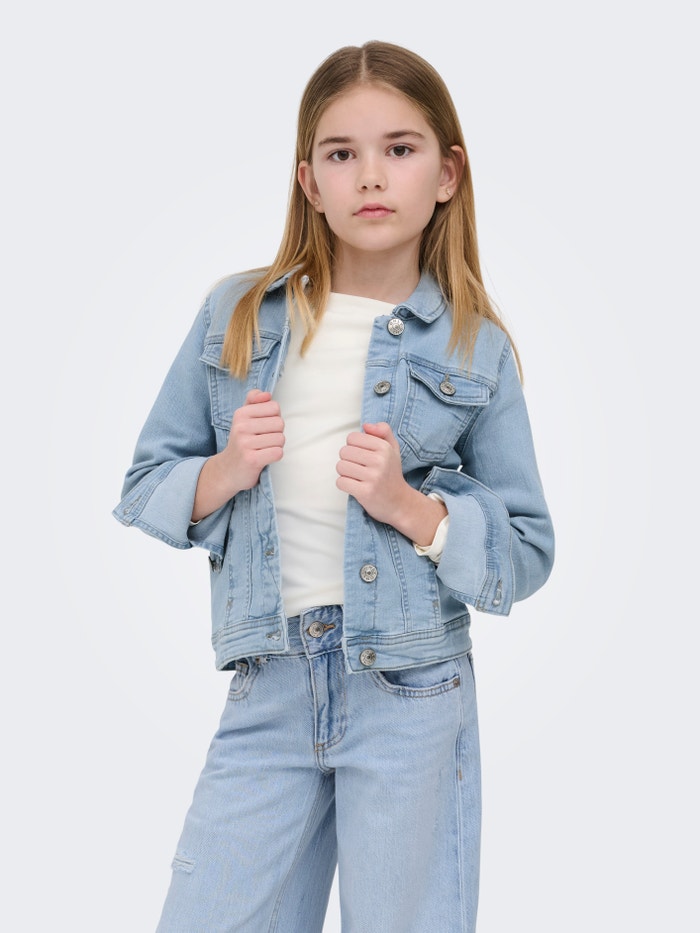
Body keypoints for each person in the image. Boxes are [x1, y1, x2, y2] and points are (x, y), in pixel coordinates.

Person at [114, 39, 554, 933]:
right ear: (309, 181)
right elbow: (147, 481)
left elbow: (528, 549)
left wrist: (414, 510)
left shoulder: (475, 346)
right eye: (342, 153)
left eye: (400, 148)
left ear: (447, 173)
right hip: (269, 681)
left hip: (411, 692)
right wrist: (227, 471)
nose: (371, 176)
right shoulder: (238, 315)